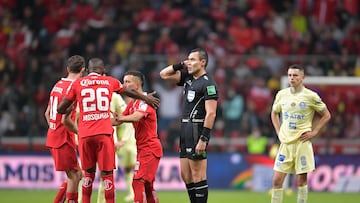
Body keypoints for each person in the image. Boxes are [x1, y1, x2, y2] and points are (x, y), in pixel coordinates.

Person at [56, 58, 160, 203]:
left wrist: (72, 106)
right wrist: (145, 98)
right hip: (104, 133)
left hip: (85, 134)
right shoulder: (110, 81)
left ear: (87, 70)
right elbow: (128, 92)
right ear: (103, 71)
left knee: (88, 175)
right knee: (107, 175)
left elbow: (60, 108)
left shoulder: (78, 84)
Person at [159, 48, 218, 203]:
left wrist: (204, 138)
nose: (189, 63)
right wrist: (180, 64)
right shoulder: (188, 78)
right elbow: (163, 74)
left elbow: (211, 113)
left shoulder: (208, 83)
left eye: (192, 60)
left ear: (203, 62)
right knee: (186, 176)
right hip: (185, 129)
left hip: (197, 129)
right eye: (188, 59)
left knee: (198, 175)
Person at [270, 64, 331, 203]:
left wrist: (315, 131)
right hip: (285, 144)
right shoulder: (282, 94)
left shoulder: (311, 96)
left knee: (301, 181)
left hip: (302, 143)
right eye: (290, 75)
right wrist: (279, 131)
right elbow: (274, 113)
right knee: (277, 180)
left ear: (302, 77)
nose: (292, 78)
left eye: (295, 75)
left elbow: (326, 115)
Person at [114, 70, 163, 203]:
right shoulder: (133, 103)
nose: (124, 84)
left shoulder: (146, 100)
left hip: (150, 148)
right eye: (123, 81)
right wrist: (102, 118)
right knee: (148, 186)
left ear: (138, 84)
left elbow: (136, 117)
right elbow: (118, 120)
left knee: (137, 181)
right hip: (142, 149)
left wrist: (121, 117)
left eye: (127, 82)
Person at [44, 55, 86, 203]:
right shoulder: (75, 87)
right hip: (63, 137)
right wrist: (81, 133)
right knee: (75, 175)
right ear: (83, 70)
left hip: (55, 135)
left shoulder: (57, 85)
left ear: (67, 69)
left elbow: (47, 113)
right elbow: (65, 120)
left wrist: (54, 129)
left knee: (76, 174)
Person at [97, 92, 137, 203]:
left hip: (129, 143)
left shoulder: (134, 109)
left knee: (130, 168)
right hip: (118, 143)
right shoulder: (117, 102)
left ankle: (133, 193)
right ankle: (132, 193)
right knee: (108, 174)